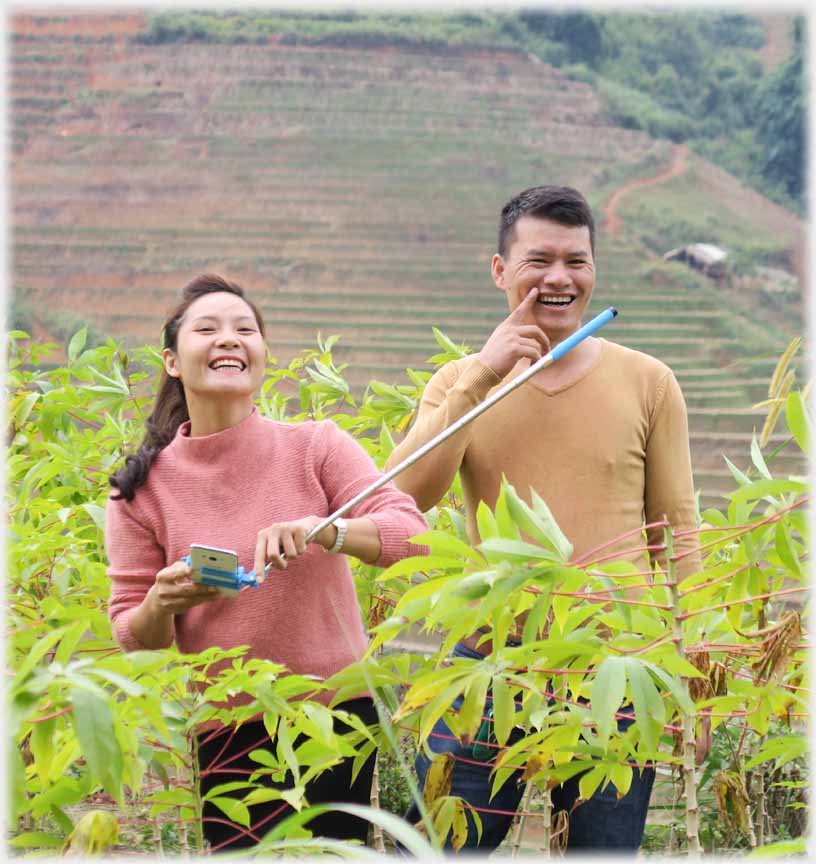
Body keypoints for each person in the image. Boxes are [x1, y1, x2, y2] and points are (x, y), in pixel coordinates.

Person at [387, 186, 702, 852]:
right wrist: (484, 374)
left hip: (616, 662)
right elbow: (406, 493)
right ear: (500, 271)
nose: (559, 278)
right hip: (492, 658)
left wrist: (690, 659)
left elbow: (677, 527)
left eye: (576, 261)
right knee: (443, 844)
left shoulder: (649, 381)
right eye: (539, 260)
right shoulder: (457, 383)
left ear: (593, 270)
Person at [105, 274, 428, 851]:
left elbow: (412, 535)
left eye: (244, 329)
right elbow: (136, 634)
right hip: (229, 728)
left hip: (335, 716)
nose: (229, 339)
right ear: (172, 361)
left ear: (261, 354)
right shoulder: (139, 490)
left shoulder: (317, 446)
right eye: (208, 329)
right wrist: (162, 601)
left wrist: (329, 531)